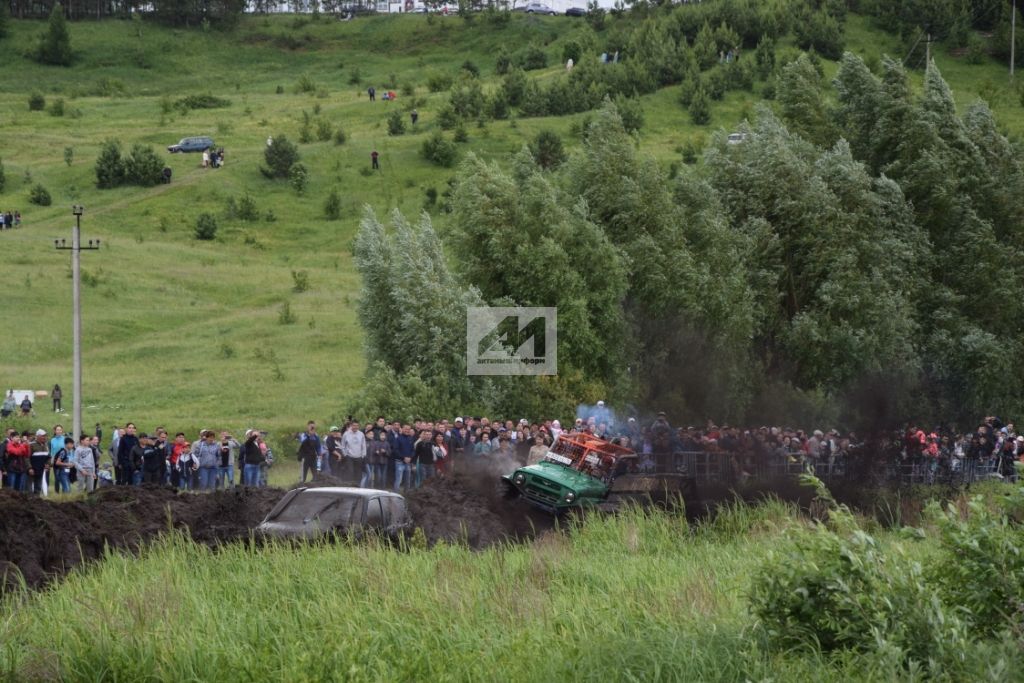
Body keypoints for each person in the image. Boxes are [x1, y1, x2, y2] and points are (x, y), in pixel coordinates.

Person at [342, 421, 368, 487]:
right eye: (354, 425)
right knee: (350, 472)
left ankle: (357, 486)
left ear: (358, 426)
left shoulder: (361, 434)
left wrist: (363, 455)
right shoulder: (346, 434)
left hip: (359, 456)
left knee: (358, 473)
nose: (355, 427)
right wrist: (345, 454)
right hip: (349, 456)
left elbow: (363, 445)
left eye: (357, 425)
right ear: (351, 426)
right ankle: (349, 486)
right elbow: (343, 445)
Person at [28, 429, 51, 496]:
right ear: (37, 436)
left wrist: (48, 464)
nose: (44, 437)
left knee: (38, 486)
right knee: (29, 487)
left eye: (45, 436)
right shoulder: (31, 445)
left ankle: (37, 501)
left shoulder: (46, 445)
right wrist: (29, 468)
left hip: (41, 469)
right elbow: (27, 458)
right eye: (42, 436)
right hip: (32, 469)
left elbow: (48, 457)